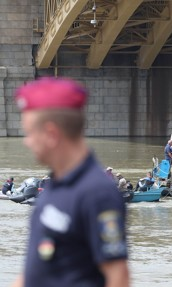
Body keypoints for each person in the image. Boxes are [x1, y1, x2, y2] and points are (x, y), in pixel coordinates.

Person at [12, 77, 129, 287]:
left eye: (29, 133)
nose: (26, 142)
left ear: (51, 134)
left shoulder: (97, 193)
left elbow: (118, 277)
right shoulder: (56, 185)